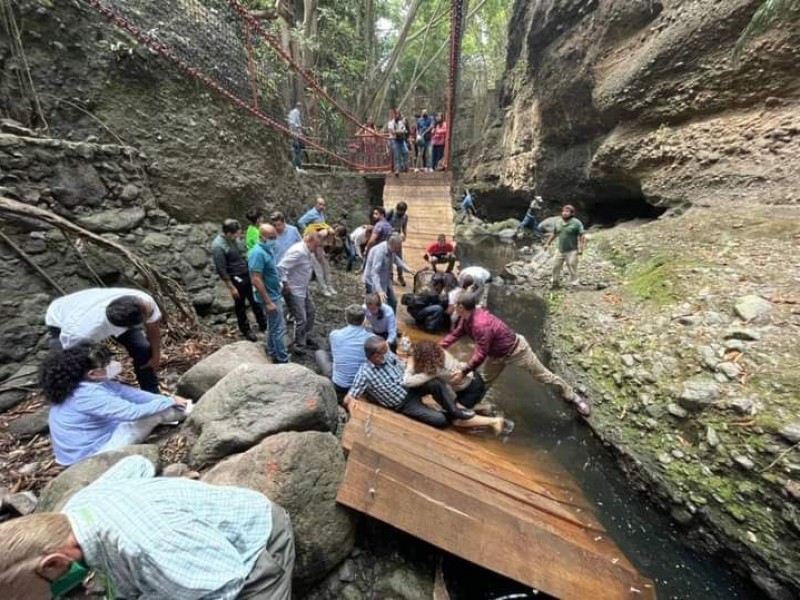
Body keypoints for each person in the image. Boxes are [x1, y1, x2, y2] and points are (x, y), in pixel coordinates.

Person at [0, 455, 294, 599]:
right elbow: (137, 462)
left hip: (253, 550)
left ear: (53, 565)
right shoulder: (76, 508)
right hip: (192, 554)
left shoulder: (146, 544)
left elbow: (225, 584)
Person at [441, 293, 591, 417]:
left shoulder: (480, 324)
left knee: (543, 376)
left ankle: (572, 396)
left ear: (461, 307)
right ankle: (471, 406)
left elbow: (480, 353)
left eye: (455, 304)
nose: (453, 306)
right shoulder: (466, 318)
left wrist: (463, 371)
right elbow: (456, 334)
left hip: (517, 350)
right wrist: (439, 347)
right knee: (485, 382)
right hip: (497, 355)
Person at [41, 342, 189, 466]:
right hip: (89, 458)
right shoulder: (87, 394)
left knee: (158, 405)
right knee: (156, 412)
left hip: (89, 444)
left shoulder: (83, 383)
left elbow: (131, 394)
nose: (110, 366)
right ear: (92, 373)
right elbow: (133, 412)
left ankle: (184, 409)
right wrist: (169, 401)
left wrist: (163, 399)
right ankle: (192, 410)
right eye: (105, 365)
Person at [45, 288, 163, 393]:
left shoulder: (142, 301)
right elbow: (70, 358)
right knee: (75, 370)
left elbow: (153, 328)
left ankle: (151, 391)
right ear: (127, 326)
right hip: (60, 317)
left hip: (90, 305)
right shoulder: (79, 333)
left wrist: (156, 356)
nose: (152, 310)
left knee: (142, 349)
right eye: (149, 313)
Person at [343, 336, 475, 429]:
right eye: (384, 351)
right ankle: (449, 416)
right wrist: (351, 403)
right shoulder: (364, 373)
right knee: (440, 421)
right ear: (375, 356)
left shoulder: (387, 354)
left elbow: (401, 363)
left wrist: (411, 363)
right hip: (403, 403)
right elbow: (348, 398)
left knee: (436, 383)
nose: (387, 352)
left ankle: (455, 411)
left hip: (411, 387)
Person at [404, 340, 513, 435]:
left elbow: (408, 382)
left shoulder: (434, 370)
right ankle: (484, 407)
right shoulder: (440, 352)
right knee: (452, 406)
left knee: (457, 421)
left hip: (470, 390)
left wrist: (409, 366)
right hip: (472, 378)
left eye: (417, 357)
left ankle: (494, 421)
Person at [212, 219, 267, 342]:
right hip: (235, 277)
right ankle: (245, 329)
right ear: (229, 233)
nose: (239, 235)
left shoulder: (234, 240)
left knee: (255, 300)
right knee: (240, 305)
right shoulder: (218, 246)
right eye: (237, 233)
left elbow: (242, 254)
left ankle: (263, 324)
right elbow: (221, 269)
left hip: (246, 272)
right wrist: (231, 287)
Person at [249, 224, 290, 363]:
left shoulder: (268, 249)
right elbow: (255, 279)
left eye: (275, 237)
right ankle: (282, 359)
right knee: (278, 329)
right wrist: (268, 302)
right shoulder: (257, 253)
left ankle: (272, 351)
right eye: (271, 237)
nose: (274, 240)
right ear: (262, 237)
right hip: (270, 297)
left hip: (274, 293)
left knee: (272, 326)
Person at [278, 231, 324, 352]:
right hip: (294, 290)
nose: (317, 248)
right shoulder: (298, 251)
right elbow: (281, 266)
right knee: (301, 318)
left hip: (303, 287)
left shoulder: (307, 250)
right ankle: (298, 345)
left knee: (311, 311)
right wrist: (285, 283)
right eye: (316, 245)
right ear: (309, 242)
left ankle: (305, 336)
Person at [328, 304, 372, 403]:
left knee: (321, 354)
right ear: (364, 319)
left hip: (339, 383)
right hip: (360, 385)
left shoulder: (334, 334)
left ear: (346, 318)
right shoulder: (371, 339)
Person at [363, 233, 414, 313]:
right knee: (382, 306)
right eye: (396, 248)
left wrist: (408, 269)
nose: (397, 250)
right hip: (374, 282)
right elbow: (374, 273)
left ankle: (392, 321)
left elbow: (396, 260)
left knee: (393, 302)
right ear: (391, 244)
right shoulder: (380, 252)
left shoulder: (391, 249)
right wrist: (379, 291)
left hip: (385, 280)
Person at [544, 204, 586, 287]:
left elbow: (582, 235)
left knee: (572, 265)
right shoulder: (558, 222)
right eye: (563, 211)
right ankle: (555, 282)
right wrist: (547, 243)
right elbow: (554, 234)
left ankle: (574, 282)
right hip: (560, 249)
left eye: (567, 211)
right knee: (555, 265)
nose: (564, 213)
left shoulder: (577, 223)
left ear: (572, 213)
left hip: (572, 250)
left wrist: (581, 248)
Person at [386, 202, 409, 286]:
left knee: (399, 257)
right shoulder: (391, 213)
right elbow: (384, 222)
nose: (400, 213)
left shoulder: (405, 217)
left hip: (398, 238)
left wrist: (405, 235)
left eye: (402, 212)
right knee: (389, 257)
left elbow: (404, 227)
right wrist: (391, 229)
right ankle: (390, 277)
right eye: (399, 211)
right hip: (388, 237)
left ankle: (400, 276)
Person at [387, 109, 408, 175]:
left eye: (398, 115)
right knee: (397, 155)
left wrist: (399, 131)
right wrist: (399, 131)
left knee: (406, 152)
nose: (397, 116)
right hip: (394, 140)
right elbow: (392, 132)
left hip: (401, 139)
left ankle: (405, 167)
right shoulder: (390, 123)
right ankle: (397, 169)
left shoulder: (401, 122)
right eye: (396, 114)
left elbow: (405, 130)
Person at [288, 101, 304, 172]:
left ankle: (296, 166)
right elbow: (295, 124)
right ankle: (298, 167)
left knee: (295, 149)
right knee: (297, 149)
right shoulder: (296, 112)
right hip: (294, 132)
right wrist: (300, 133)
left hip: (292, 131)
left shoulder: (291, 112)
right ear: (300, 107)